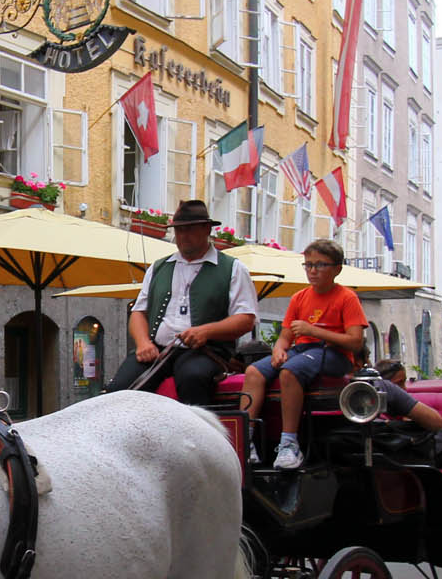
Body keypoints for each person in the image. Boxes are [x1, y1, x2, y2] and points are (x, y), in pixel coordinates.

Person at [103, 199, 257, 407]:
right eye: (179, 230)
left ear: (206, 229)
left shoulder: (233, 268)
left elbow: (245, 319)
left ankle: (197, 436)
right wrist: (143, 343)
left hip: (205, 351)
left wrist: (205, 332)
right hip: (157, 350)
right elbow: (138, 312)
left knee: (193, 378)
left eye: (190, 229)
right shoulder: (159, 267)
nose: (183, 236)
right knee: (118, 390)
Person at [237, 239, 368, 469]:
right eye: (308, 265)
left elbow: (355, 342)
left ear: (337, 269)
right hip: (304, 350)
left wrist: (313, 330)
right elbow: (285, 337)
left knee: (290, 371)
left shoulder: (347, 298)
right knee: (254, 371)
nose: (312, 270)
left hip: (334, 353)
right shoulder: (300, 297)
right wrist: (278, 349)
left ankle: (289, 442)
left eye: (320, 265)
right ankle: (245, 440)